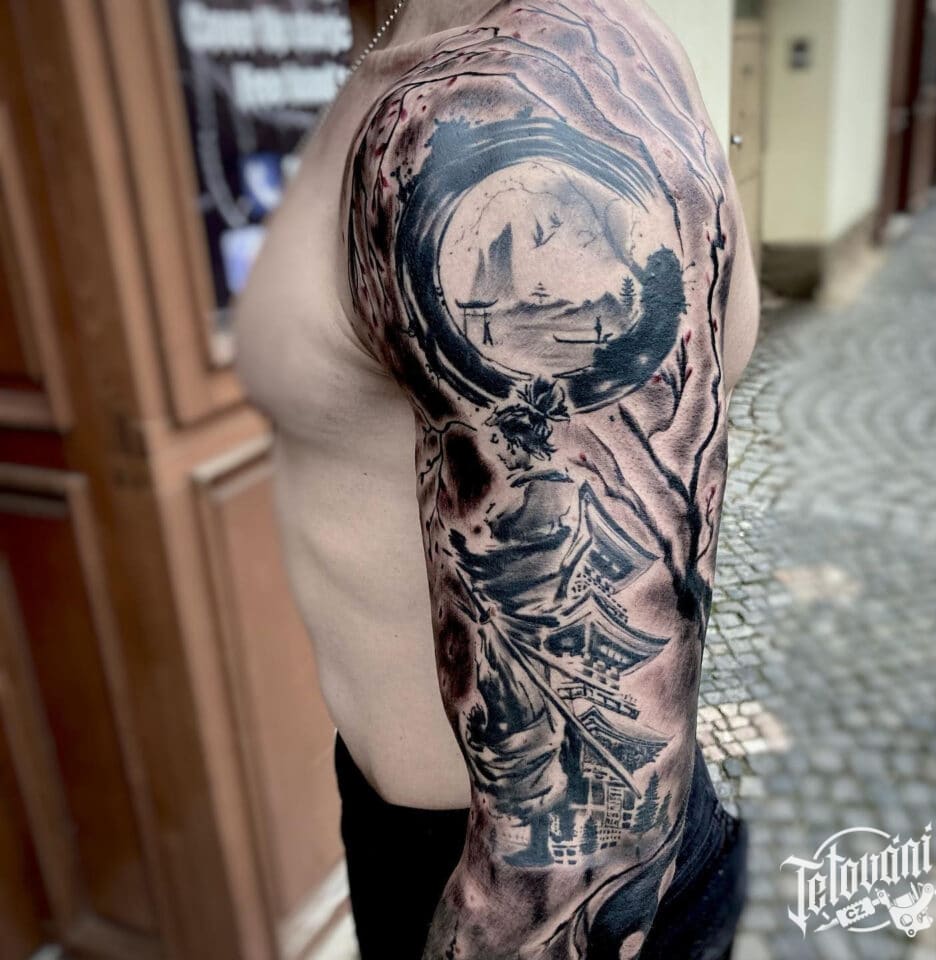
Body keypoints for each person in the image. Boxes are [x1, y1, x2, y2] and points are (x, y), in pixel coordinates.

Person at [235, 1, 759, 957]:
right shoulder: (403, 47)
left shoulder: (524, 88)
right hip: (423, 832)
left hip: (512, 887)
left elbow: (589, 834)